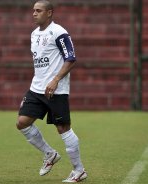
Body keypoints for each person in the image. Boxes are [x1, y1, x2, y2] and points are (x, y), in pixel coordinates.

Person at [16, 0, 87, 182]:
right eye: (33, 10)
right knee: (22, 122)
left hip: (56, 90)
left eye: (38, 10)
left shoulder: (59, 32)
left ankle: (79, 170)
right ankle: (50, 154)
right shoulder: (33, 34)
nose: (34, 13)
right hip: (36, 88)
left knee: (63, 128)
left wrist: (55, 80)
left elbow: (70, 58)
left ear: (49, 13)